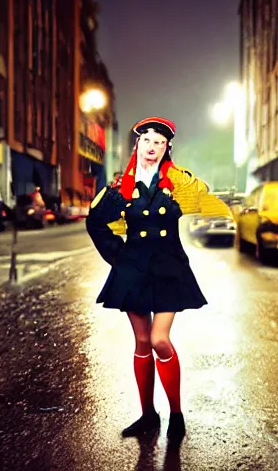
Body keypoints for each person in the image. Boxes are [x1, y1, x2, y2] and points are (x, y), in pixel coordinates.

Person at [86, 116, 230, 447]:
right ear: (138, 145)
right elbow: (95, 221)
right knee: (140, 342)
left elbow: (202, 199)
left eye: (160, 143)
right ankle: (148, 414)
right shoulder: (120, 186)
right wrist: (118, 257)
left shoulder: (178, 184)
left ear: (167, 149)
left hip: (168, 269)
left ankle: (176, 413)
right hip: (133, 269)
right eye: (147, 141)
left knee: (159, 340)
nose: (153, 147)